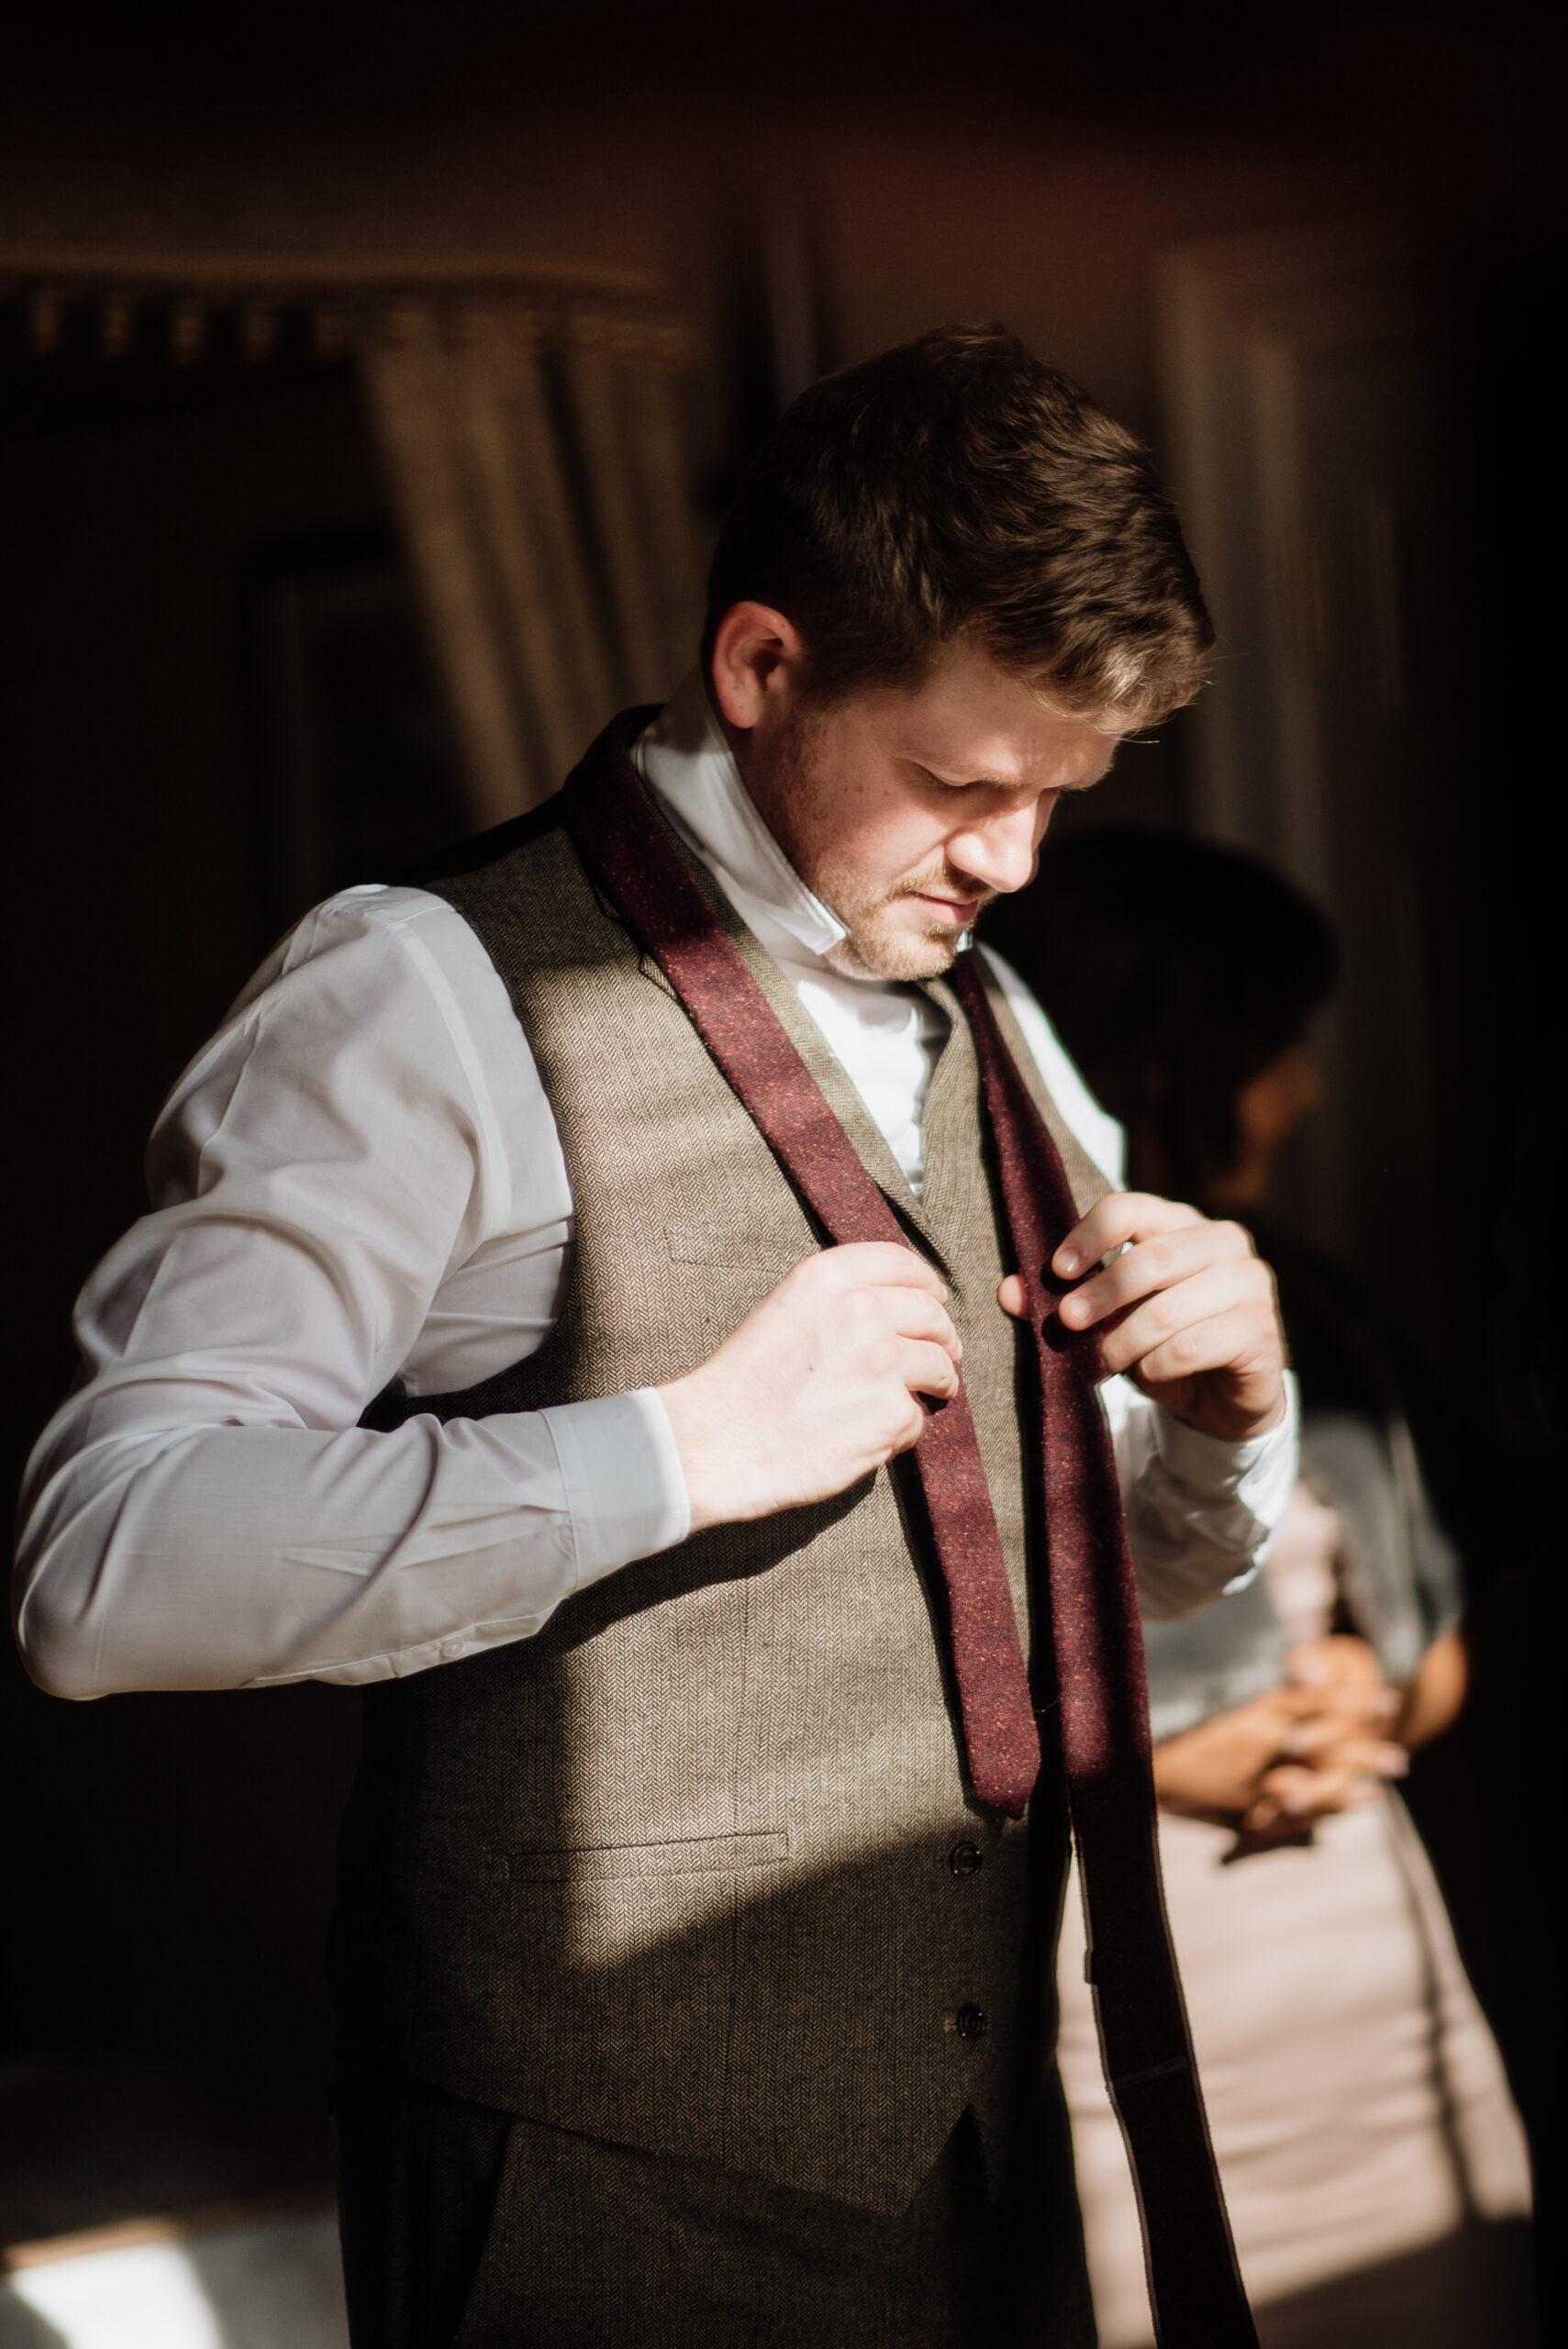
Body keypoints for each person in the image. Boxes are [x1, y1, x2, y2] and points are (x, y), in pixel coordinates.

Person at [13, 331, 1296, 2347]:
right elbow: (103, 1563)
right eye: (963, 782)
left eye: (1063, 792)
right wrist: (677, 1446)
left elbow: (1040, 1583)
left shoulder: (1003, 1022)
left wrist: (1223, 1434)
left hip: (986, 2170)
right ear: (765, 665)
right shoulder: (417, 996)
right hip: (587, 2197)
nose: (1014, 858)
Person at [989, 829, 1533, 2347]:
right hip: (1109, 1990)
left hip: (1368, 1966)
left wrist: (1369, 1696)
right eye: (1274, 1044)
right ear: (1164, 1057)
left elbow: (1431, 1625)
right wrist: (1158, 1763)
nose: (1299, 1089)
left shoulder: (1312, 1310)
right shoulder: (986, 1326)